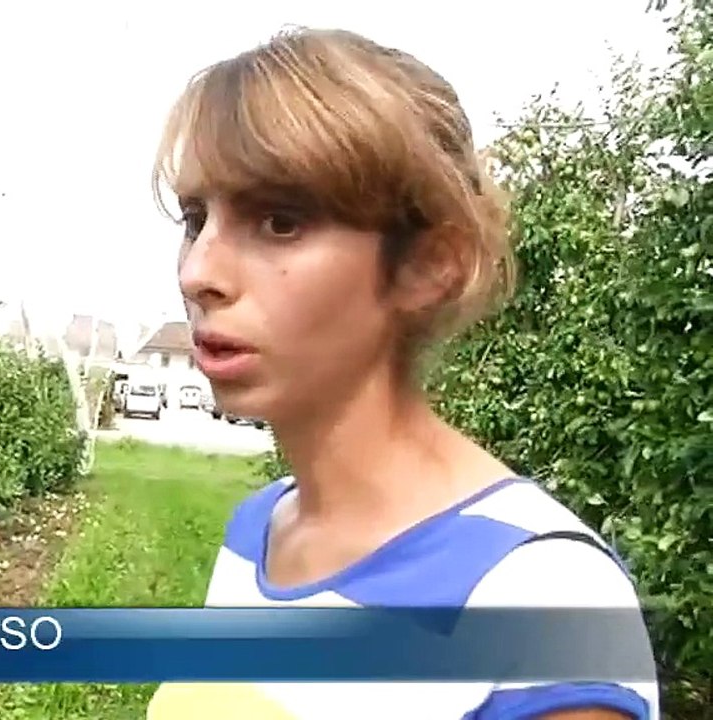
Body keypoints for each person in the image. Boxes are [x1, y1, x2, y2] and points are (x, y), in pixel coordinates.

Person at [146, 27, 658, 720]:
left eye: (280, 222)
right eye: (195, 219)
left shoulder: (542, 602)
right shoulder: (256, 530)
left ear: (429, 266)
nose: (198, 272)